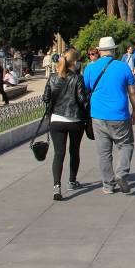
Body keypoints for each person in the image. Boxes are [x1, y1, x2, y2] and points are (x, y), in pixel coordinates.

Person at [84, 37, 135, 195]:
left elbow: (86, 88)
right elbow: (132, 91)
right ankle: (121, 173)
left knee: (104, 152)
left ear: (99, 51)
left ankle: (108, 185)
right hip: (119, 114)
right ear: (114, 50)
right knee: (126, 145)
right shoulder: (123, 67)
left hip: (98, 115)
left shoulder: (90, 68)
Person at [43, 50, 87, 201]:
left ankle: (56, 186)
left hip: (56, 120)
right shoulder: (78, 78)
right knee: (74, 151)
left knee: (58, 153)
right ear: (74, 62)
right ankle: (72, 181)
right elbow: (82, 99)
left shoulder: (53, 77)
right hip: (75, 120)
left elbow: (45, 98)